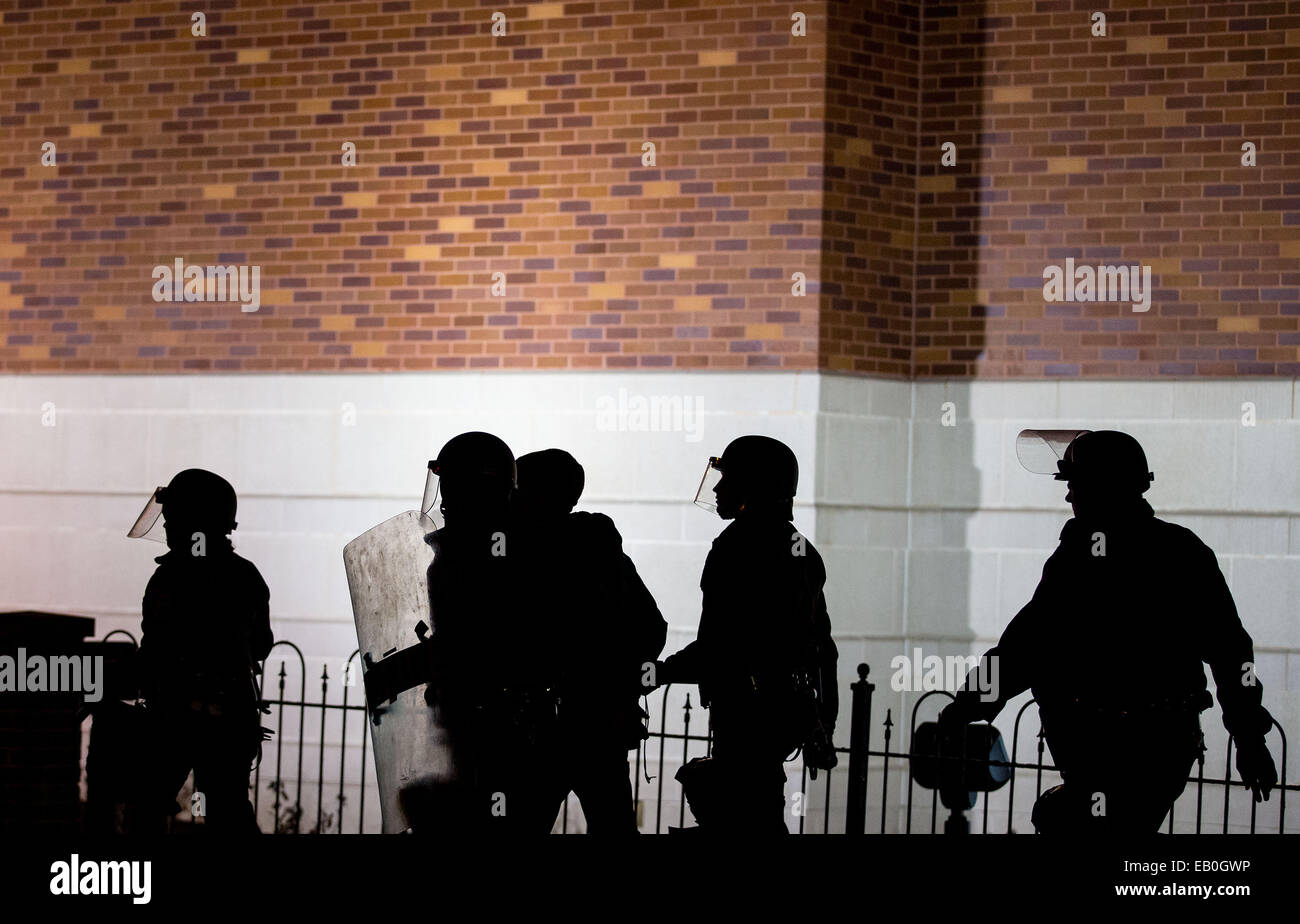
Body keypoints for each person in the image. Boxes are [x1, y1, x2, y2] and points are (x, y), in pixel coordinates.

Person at [939, 430, 1279, 833]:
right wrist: (1249, 737)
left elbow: (1027, 645)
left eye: (1076, 485)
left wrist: (967, 705)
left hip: (1101, 748)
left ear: (1106, 487)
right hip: (1157, 749)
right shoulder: (1181, 551)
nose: (1069, 497)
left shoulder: (1084, 556)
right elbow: (1229, 651)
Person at [654, 436, 838, 833]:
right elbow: (822, 646)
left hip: (745, 714)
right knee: (760, 811)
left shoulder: (738, 547)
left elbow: (724, 646)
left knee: (744, 816)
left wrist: (658, 673)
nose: (718, 489)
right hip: (780, 716)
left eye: (729, 480)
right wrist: (826, 719)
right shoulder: (799, 548)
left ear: (754, 487)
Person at [513, 449, 667, 833]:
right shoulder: (598, 550)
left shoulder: (519, 553)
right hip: (599, 727)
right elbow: (652, 627)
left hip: (542, 730)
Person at [420, 431, 560, 833]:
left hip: (502, 726)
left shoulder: (503, 552)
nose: (444, 501)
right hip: (473, 723)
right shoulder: (458, 554)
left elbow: (489, 643)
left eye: (452, 487)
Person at [130, 468, 272, 833]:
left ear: (192, 521)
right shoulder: (245, 575)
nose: (164, 525)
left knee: (146, 806)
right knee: (228, 813)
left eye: (172, 516)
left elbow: (153, 651)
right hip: (231, 717)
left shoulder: (168, 579)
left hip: (174, 716)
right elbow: (262, 645)